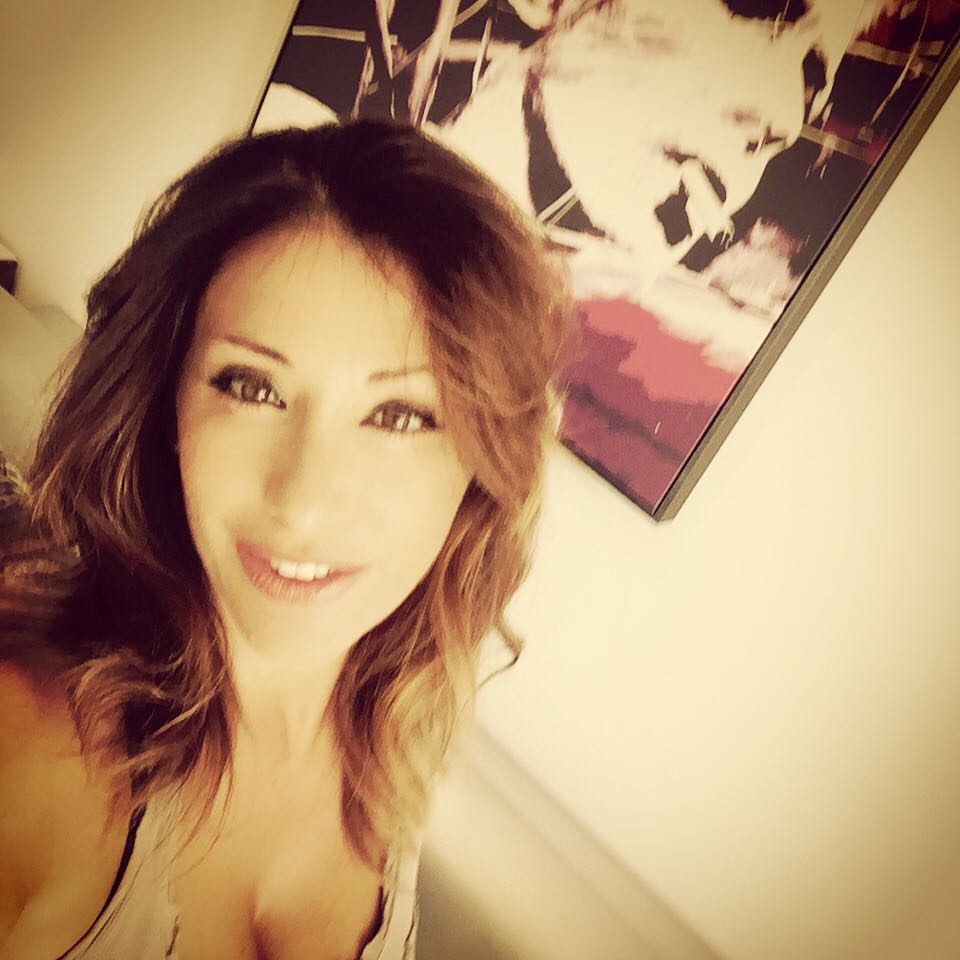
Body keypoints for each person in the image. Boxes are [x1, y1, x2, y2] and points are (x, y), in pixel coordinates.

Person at [0, 119, 571, 959]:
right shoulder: (32, 752)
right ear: (167, 409)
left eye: (400, 415)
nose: (301, 503)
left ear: (480, 466)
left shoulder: (404, 726)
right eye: (251, 387)